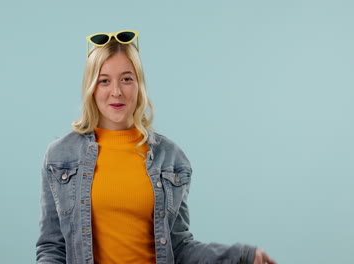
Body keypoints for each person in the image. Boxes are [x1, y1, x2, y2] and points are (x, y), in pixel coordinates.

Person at [35, 30, 276, 264]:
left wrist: (240, 256)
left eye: (127, 79)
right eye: (104, 81)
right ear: (91, 87)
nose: (116, 91)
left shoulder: (170, 158)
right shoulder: (60, 156)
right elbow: (52, 247)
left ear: (139, 84)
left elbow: (179, 248)